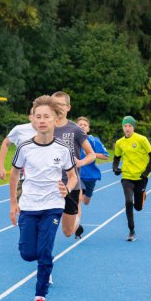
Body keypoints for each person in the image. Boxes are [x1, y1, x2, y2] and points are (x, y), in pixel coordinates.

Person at [9, 95, 77, 301]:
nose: (41, 120)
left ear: (56, 119)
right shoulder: (25, 147)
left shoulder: (62, 149)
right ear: (33, 120)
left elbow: (72, 176)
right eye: (38, 117)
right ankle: (42, 262)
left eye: (46, 116)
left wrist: (67, 189)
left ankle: (40, 297)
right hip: (28, 206)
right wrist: (13, 203)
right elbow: (14, 174)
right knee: (29, 254)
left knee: (45, 251)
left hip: (53, 206)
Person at [51, 91, 96, 239]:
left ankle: (76, 221)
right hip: (49, 183)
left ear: (68, 107)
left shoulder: (75, 129)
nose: (58, 108)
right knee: (45, 220)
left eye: (61, 105)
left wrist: (80, 162)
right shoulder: (45, 127)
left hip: (71, 183)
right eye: (55, 104)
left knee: (67, 232)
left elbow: (91, 154)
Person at [112, 116, 151, 241]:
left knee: (138, 207)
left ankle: (142, 196)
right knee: (128, 202)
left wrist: (146, 172)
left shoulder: (142, 139)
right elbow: (116, 158)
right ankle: (131, 230)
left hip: (141, 177)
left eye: (129, 126)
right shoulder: (120, 142)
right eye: (125, 126)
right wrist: (115, 168)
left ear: (133, 127)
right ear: (122, 128)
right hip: (127, 177)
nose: (127, 128)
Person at [76, 117, 109, 214]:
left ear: (88, 129)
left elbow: (106, 156)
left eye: (85, 125)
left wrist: (92, 154)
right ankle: (76, 224)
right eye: (80, 125)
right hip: (77, 175)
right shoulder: (72, 140)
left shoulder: (94, 140)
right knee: (78, 199)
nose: (82, 126)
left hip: (90, 176)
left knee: (86, 201)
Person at [0, 107, 37, 180]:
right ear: (30, 117)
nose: (40, 119)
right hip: (22, 176)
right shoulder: (19, 130)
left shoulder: (50, 131)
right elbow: (5, 144)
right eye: (37, 115)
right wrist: (1, 167)